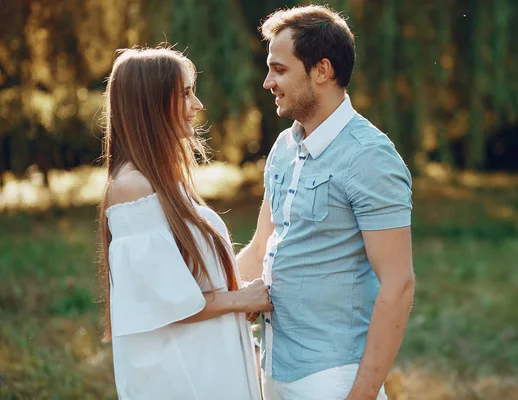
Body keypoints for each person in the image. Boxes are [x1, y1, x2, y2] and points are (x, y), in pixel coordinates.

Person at [236, 5, 415, 400]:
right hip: (271, 370)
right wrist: (208, 296)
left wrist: (361, 395)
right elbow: (262, 246)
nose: (267, 82)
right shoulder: (284, 147)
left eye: (279, 70)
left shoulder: (370, 156)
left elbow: (398, 285)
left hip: (334, 380)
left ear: (322, 70)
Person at [97, 46, 271, 400]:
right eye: (187, 93)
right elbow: (165, 302)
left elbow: (189, 279)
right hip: (180, 375)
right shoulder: (132, 188)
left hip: (204, 362)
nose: (198, 105)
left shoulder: (164, 183)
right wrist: (239, 299)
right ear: (153, 103)